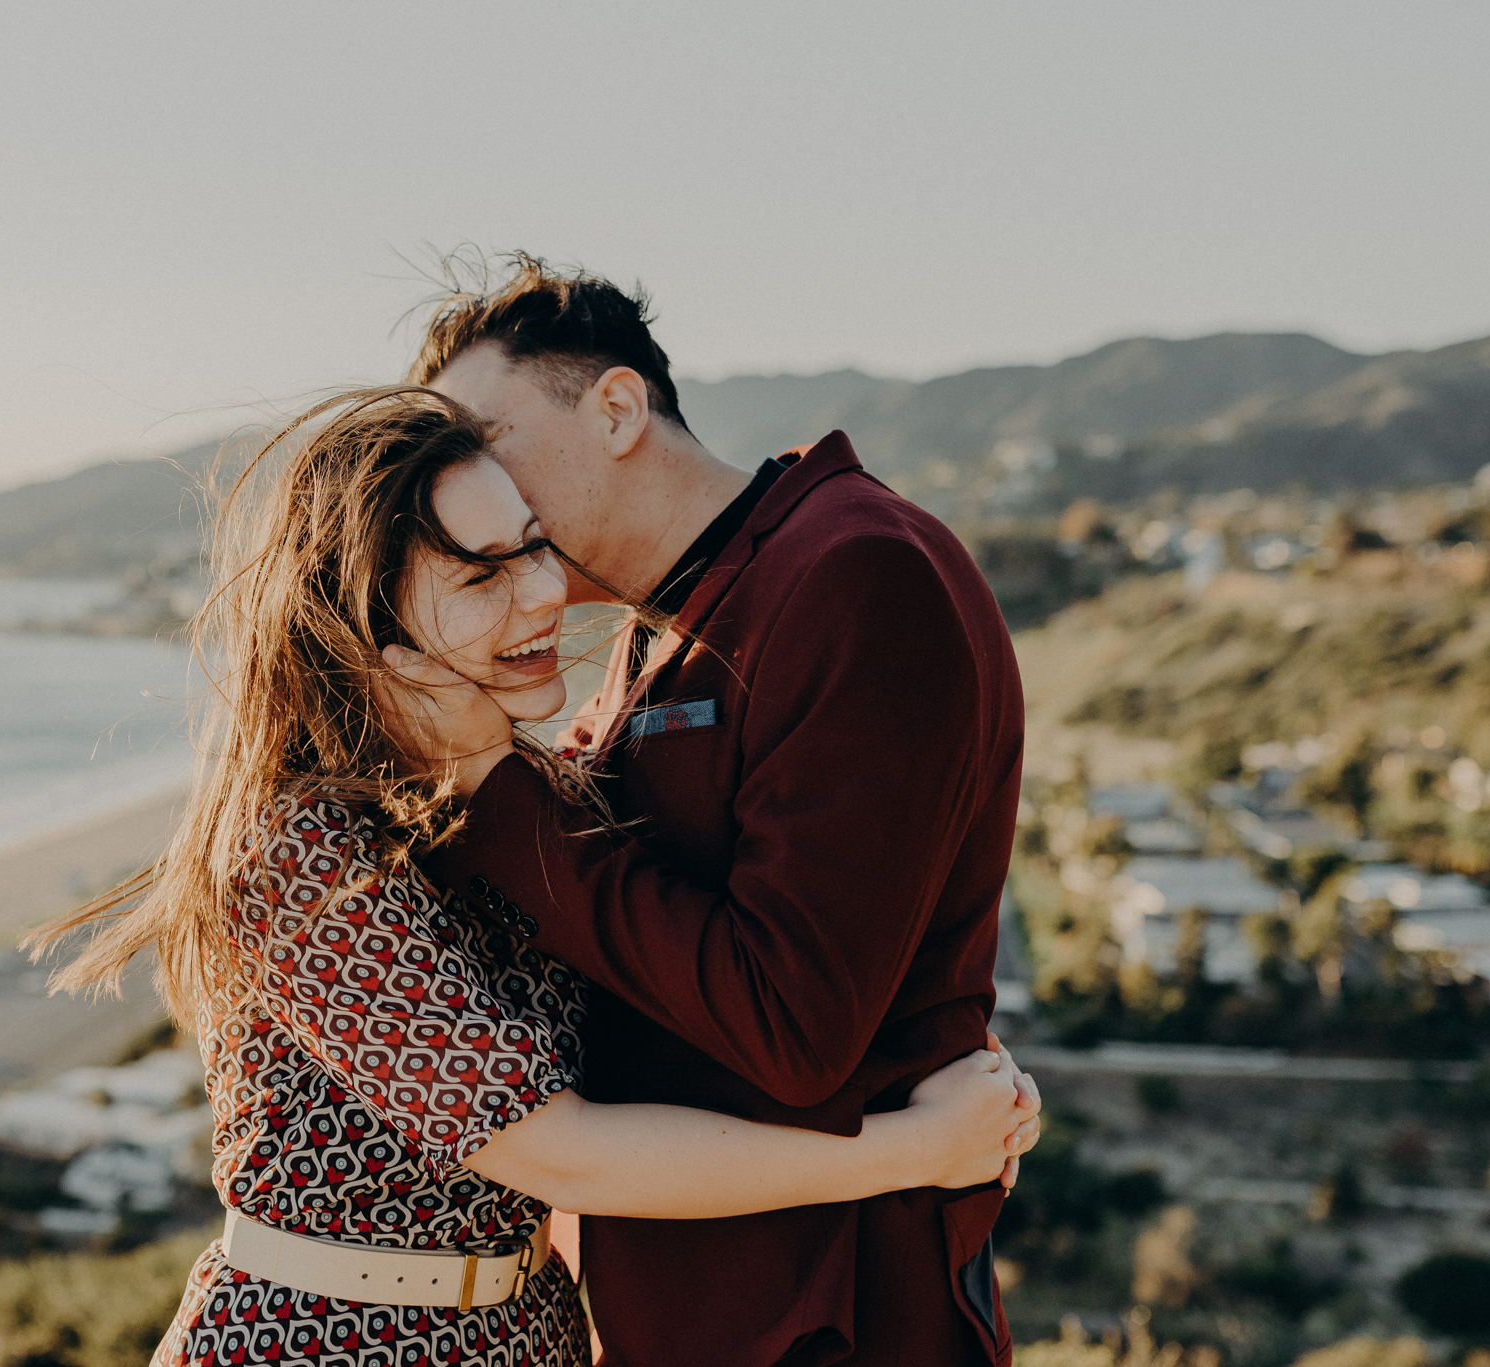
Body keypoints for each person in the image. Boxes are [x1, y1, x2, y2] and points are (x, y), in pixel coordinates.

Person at [29, 388, 1041, 1367]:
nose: (546, 591)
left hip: (518, 1330)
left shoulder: (519, 788)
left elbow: (674, 976)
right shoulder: (296, 847)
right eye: (480, 576)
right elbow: (558, 1150)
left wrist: (941, 1055)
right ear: (357, 625)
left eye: (532, 544)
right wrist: (910, 1149)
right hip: (325, 1335)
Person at [383, 255, 1031, 1366]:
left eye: (483, 438)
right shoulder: (668, 621)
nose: (466, 488)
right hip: (700, 1302)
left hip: (827, 1309)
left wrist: (495, 789)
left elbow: (790, 1021)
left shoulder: (855, 574)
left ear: (617, 406)